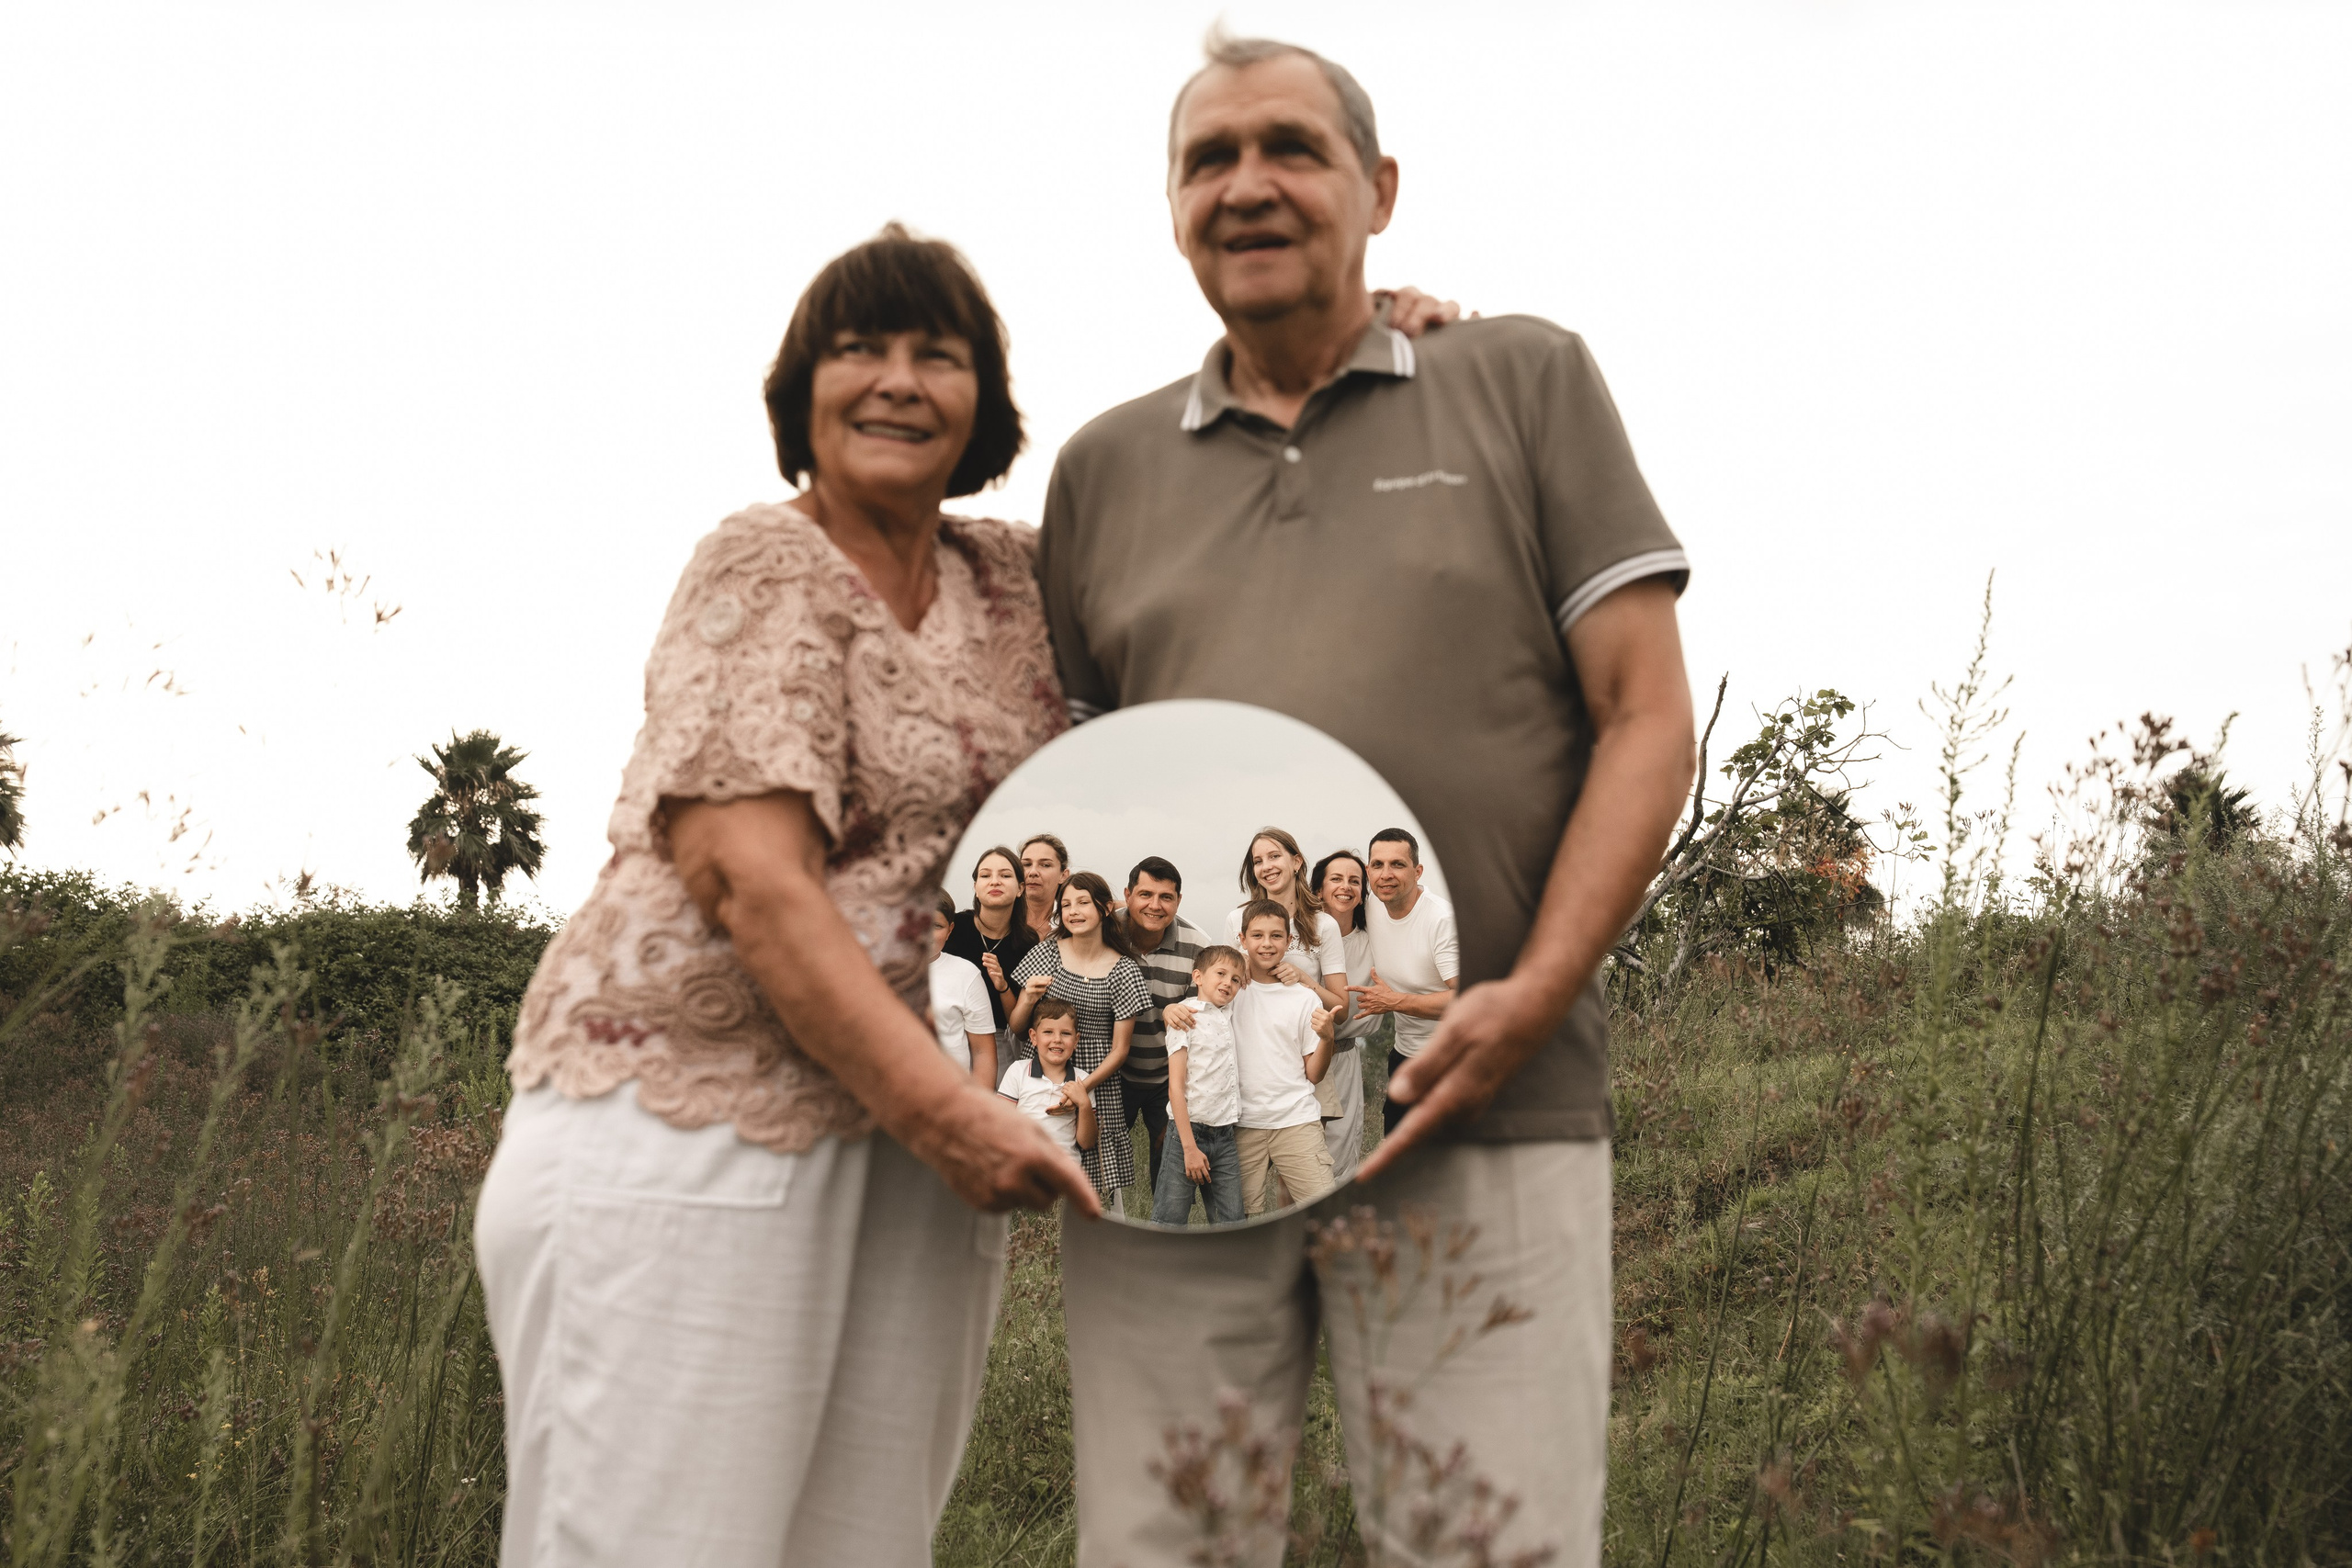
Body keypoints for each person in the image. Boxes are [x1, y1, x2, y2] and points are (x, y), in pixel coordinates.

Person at [1036, 31, 1697, 1568]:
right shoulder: (1101, 470)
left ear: (1379, 189)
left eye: (1292, 147)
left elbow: (1645, 715)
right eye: (1209, 159)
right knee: (1165, 1543)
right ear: (1171, 209)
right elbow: (1070, 805)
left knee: (1490, 1544)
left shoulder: (1522, 378)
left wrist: (1531, 994)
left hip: (1483, 1096)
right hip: (1187, 1135)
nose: (1247, 184)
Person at [474, 223, 1096, 1568]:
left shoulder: (1018, 580)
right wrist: (952, 1115)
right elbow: (748, 880)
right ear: (800, 392)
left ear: (985, 402)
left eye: (939, 354)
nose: (898, 379)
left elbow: (1218, 544)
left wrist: (1378, 341)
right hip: (695, 1112)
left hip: (911, 1160)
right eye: (858, 347)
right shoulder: (763, 563)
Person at [1007, 871, 1152, 1202]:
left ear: (1105, 908)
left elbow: (1120, 1050)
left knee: (1091, 1175)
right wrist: (1028, 999)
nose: (1073, 911)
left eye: (1083, 903)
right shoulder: (1046, 953)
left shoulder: (1125, 969)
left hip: (1096, 1079)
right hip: (1044, 1072)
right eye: (1067, 904)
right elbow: (1017, 1027)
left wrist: (1081, 1090)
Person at [1227, 900, 1340, 1215]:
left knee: (1323, 1212)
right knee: (1239, 1220)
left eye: (1276, 936)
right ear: (1242, 939)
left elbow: (1313, 1074)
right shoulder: (1228, 992)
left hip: (1296, 1121)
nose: (1267, 944)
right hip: (1240, 1123)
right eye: (1257, 935)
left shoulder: (1304, 998)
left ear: (1289, 941)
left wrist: (1327, 1039)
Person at [1351, 829, 1458, 1134]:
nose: (1386, 874)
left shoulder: (1440, 921)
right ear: (1368, 871)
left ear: (1417, 871)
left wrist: (1394, 1001)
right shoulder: (1371, 906)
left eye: (1397, 864)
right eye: (1378, 865)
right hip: (1405, 1056)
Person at [1114, 854, 1210, 1190]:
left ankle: (1164, 1220)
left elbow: (1202, 1029)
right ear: (1128, 895)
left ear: (1178, 900)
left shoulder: (1197, 947)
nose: (1155, 906)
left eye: (1166, 897)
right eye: (1145, 894)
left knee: (1170, 1169)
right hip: (1112, 1073)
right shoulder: (1104, 933)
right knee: (1097, 1162)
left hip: (1168, 1077)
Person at [1150, 943, 1250, 1225]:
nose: (1228, 983)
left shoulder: (1229, 1013)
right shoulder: (1185, 1016)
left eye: (1235, 979)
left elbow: (1248, 958)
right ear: (1198, 977)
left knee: (1231, 1222)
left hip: (1225, 1134)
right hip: (1187, 1132)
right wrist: (1190, 1148)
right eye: (1220, 974)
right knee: (1170, 1220)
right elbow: (1175, 1088)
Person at [1220, 827, 1348, 1015]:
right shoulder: (1236, 919)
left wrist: (1302, 978)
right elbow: (1219, 993)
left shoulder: (1324, 925)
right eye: (1258, 861)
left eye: (1274, 856)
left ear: (1296, 862)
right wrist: (1237, 964)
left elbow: (1341, 1012)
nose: (1266, 866)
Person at [1308, 847, 1375, 1181]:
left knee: (1339, 1162)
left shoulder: (1373, 941)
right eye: (1336, 879)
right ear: (1319, 889)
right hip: (1295, 1058)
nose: (1345, 887)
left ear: (1362, 895)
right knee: (1295, 1159)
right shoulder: (1297, 936)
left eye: (1354, 881)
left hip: (1342, 1054)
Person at [943, 843, 1040, 1043]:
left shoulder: (1028, 942)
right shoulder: (954, 927)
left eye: (1005, 875)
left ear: (1020, 888)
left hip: (998, 1039)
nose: (995, 882)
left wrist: (1003, 986)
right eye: (986, 875)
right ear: (976, 888)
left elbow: (1019, 1025)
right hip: (947, 1030)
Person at [998, 997, 1095, 1167]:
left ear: (1076, 1041)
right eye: (1048, 1032)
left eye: (1065, 1033)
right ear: (1033, 1037)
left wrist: (1084, 1104)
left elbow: (1087, 1143)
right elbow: (1000, 1123)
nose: (1057, 1039)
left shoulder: (1083, 1080)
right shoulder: (1018, 1071)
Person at [930, 891, 999, 1088]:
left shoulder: (966, 974)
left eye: (936, 926)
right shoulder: (878, 970)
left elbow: (982, 1052)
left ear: (950, 930)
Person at [1017, 832, 1071, 942]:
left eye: (1045, 865)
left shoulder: (1072, 920)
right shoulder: (1004, 917)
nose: (1033, 872)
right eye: (1027, 864)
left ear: (1063, 876)